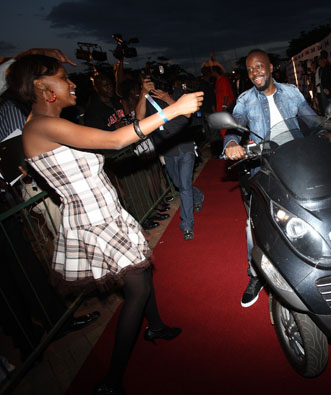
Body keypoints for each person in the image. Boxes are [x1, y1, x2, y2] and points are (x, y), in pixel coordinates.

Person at [6, 54, 203, 394]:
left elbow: (114, 141)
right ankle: (111, 380)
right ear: (41, 87)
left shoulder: (49, 122)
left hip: (106, 212)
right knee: (138, 286)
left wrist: (48, 55)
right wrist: (173, 109)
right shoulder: (41, 126)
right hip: (94, 221)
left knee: (140, 271)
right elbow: (114, 141)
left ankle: (154, 326)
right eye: (63, 77)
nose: (72, 83)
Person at [224, 49, 316, 307]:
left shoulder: (292, 92)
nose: (255, 73)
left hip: (298, 162)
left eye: (259, 67)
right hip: (264, 168)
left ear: (271, 67)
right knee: (255, 223)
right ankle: (255, 274)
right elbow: (235, 124)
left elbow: (311, 119)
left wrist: (324, 131)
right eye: (250, 70)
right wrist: (232, 142)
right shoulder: (245, 99)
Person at [136, 75, 204, 241]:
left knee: (185, 186)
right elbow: (139, 118)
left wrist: (168, 98)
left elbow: (188, 115)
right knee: (179, 183)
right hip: (166, 148)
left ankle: (187, 225)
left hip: (185, 145)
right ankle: (198, 196)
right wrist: (143, 93)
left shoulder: (178, 93)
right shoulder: (148, 99)